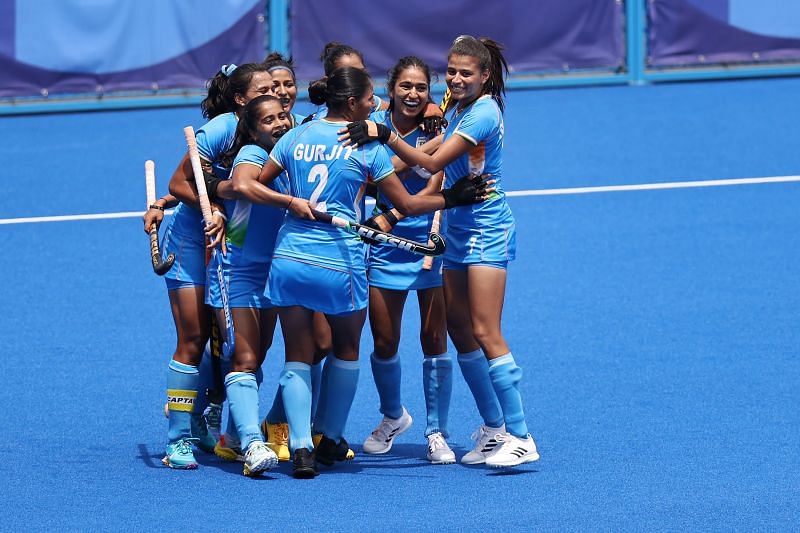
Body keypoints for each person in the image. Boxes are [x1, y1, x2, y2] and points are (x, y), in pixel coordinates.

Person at [235, 66, 489, 478]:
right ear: (353, 103)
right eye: (371, 99)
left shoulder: (294, 135)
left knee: (297, 355)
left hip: (290, 259)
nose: (377, 106)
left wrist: (291, 202)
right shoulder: (366, 147)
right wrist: (451, 198)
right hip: (339, 262)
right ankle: (330, 436)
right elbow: (405, 206)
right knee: (346, 348)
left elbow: (261, 188)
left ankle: (300, 447)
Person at [342, 36, 539, 468]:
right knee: (461, 332)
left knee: (485, 331)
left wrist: (383, 133)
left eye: (466, 73)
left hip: (486, 230)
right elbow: (426, 156)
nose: (456, 78)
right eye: (451, 71)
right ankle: (492, 428)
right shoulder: (457, 110)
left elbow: (431, 165)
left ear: (485, 76)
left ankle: (521, 434)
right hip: (457, 232)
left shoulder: (483, 111)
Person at [158, 63, 273, 470]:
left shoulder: (274, 127)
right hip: (193, 243)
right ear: (242, 98)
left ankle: (203, 413)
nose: (274, 90)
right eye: (264, 87)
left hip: (231, 247)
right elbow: (177, 184)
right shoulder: (222, 129)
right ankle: (178, 436)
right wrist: (214, 205)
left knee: (234, 344)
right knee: (192, 338)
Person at [358, 56, 455, 464]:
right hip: (383, 244)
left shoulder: (440, 126)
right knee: (384, 341)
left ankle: (437, 432)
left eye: (421, 88)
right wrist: (410, 148)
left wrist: (397, 209)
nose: (414, 94)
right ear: (390, 90)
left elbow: (434, 180)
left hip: (429, 241)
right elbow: (370, 179)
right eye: (406, 87)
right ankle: (393, 416)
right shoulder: (372, 125)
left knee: (434, 340)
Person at [206, 94, 294, 476]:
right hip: (237, 271)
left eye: (283, 116)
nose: (279, 123)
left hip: (276, 271)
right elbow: (241, 186)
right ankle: (253, 446)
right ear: (253, 129)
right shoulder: (251, 154)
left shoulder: (291, 156)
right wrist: (289, 201)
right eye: (269, 120)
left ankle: (236, 435)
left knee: (259, 353)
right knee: (243, 356)